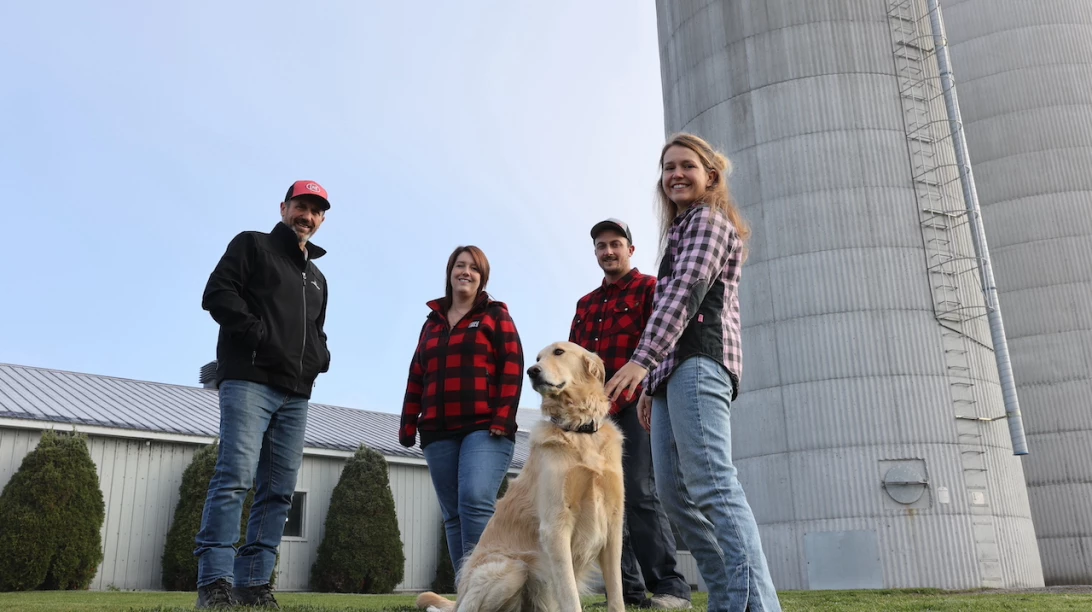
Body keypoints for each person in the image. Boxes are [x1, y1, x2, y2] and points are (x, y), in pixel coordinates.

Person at [604, 134, 781, 612]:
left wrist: (640, 362)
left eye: (687, 166)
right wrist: (652, 384)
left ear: (710, 176)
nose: (676, 174)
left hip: (701, 364)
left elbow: (686, 293)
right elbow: (669, 306)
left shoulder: (708, 220)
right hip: (670, 373)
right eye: (667, 168)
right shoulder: (681, 230)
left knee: (713, 484)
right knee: (675, 495)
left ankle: (757, 606)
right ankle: (727, 599)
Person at [195, 180, 333, 609]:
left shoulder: (317, 277)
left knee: (278, 491)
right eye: (299, 206)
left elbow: (316, 333)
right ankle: (215, 582)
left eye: (315, 210)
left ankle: (253, 584)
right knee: (235, 478)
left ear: (322, 219)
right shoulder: (253, 245)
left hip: (296, 394)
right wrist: (258, 336)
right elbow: (217, 293)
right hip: (249, 381)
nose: (306, 215)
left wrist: (320, 358)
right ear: (283, 207)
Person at [568, 218, 693, 610]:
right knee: (601, 504)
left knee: (639, 493)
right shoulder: (585, 305)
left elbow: (665, 344)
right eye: (601, 246)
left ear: (630, 250)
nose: (608, 251)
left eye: (615, 244)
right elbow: (573, 362)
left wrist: (652, 395)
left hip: (636, 408)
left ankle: (671, 588)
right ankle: (625, 591)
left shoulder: (649, 289)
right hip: (593, 419)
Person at [399, 245, 524, 582]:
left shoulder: (495, 315)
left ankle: (488, 585)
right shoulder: (432, 323)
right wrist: (408, 423)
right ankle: (468, 592)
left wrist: (502, 417)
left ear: (482, 278)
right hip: (438, 431)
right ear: (450, 272)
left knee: (474, 498)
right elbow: (417, 374)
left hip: (485, 428)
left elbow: (512, 367)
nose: (465, 272)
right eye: (459, 266)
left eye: (473, 268)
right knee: (452, 514)